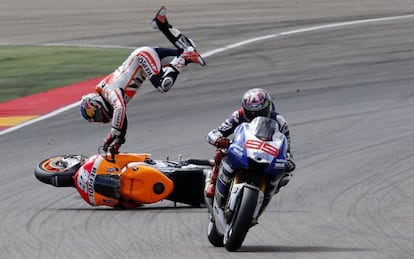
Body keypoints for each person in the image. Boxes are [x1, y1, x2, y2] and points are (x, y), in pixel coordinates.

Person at [80, 6, 206, 153]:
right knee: (190, 48)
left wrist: (112, 133)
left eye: (99, 115)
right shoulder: (110, 97)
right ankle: (162, 24)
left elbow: (120, 110)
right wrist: (118, 141)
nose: (103, 118)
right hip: (143, 57)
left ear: (97, 104)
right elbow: (123, 120)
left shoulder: (109, 92)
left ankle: (184, 58)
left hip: (142, 58)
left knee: (162, 85)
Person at [205, 88, 296, 200]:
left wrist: (289, 160)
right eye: (251, 113)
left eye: (260, 113)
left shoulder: (279, 121)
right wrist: (219, 140)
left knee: (285, 175)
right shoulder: (237, 116)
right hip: (241, 150)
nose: (255, 117)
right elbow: (213, 133)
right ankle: (213, 184)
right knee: (221, 152)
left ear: (267, 108)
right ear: (245, 110)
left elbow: (286, 147)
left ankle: (268, 192)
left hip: (267, 154)